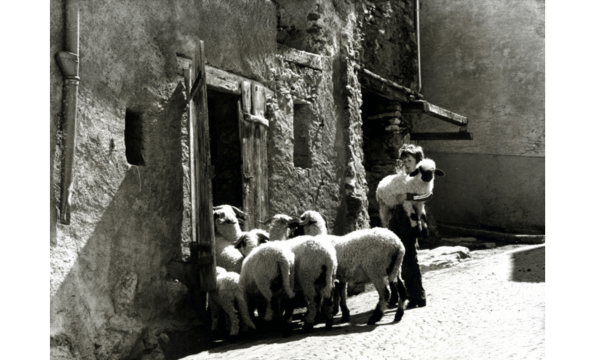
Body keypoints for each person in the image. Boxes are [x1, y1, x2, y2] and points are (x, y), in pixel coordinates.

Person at [388, 144, 430, 309]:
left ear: (418, 161)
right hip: (396, 217)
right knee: (392, 255)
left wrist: (407, 195)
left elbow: (428, 195)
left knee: (408, 256)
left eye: (410, 160)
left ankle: (418, 295)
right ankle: (397, 295)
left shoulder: (421, 176)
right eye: (404, 160)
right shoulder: (401, 178)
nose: (406, 163)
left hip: (410, 219)